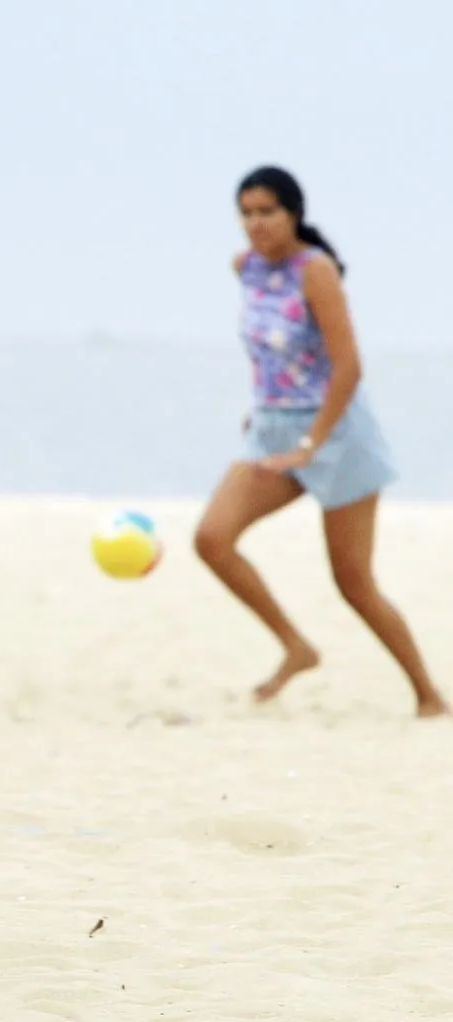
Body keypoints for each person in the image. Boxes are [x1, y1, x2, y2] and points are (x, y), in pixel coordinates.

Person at [192, 166, 444, 717]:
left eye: (267, 212)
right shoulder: (246, 268)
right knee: (212, 538)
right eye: (247, 213)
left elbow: (349, 366)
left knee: (353, 582)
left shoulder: (317, 271)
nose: (256, 224)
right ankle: (296, 646)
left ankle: (428, 695)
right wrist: (259, 410)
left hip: (339, 435)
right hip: (272, 431)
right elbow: (273, 349)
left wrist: (311, 442)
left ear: (294, 214)